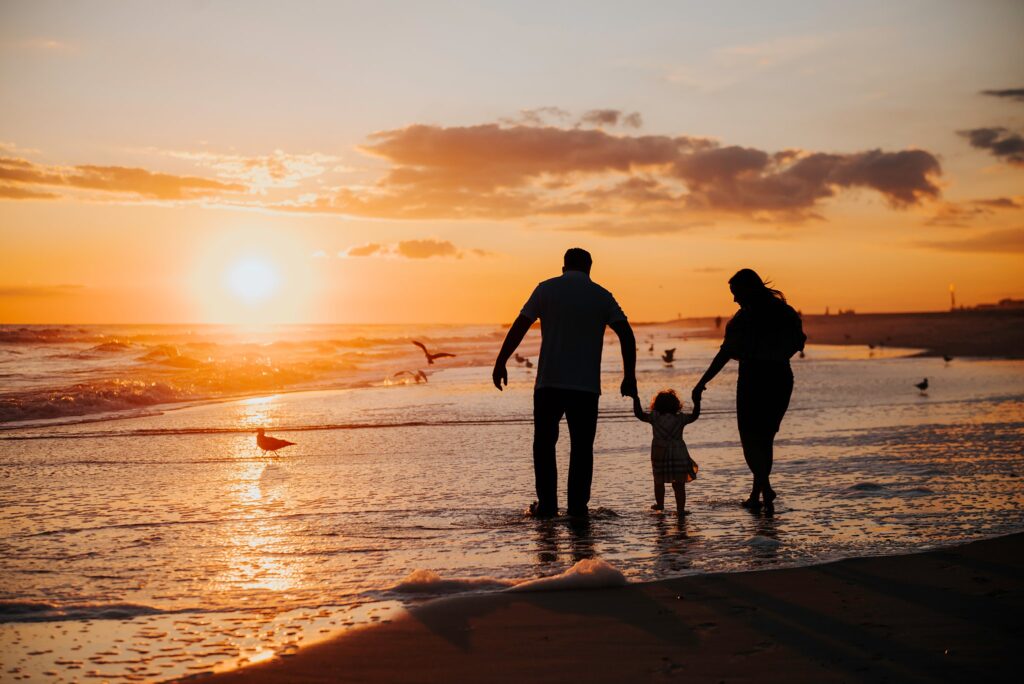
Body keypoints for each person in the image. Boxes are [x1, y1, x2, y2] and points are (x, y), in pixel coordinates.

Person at [493, 248, 636, 518]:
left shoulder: (546, 289)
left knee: (544, 444)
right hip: (586, 386)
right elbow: (626, 334)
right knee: (582, 447)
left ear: (563, 267)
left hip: (549, 383)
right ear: (590, 268)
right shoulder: (602, 295)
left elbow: (520, 325)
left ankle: (547, 506)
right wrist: (629, 376)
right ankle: (577, 507)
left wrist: (501, 361)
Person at [693, 269, 805, 510]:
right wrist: (775, 356)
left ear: (747, 290)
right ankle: (759, 494)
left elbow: (725, 352)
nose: (734, 299)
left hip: (753, 380)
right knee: (764, 439)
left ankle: (765, 488)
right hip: (780, 377)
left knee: (750, 440)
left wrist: (703, 381)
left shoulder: (743, 318)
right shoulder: (784, 312)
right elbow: (798, 342)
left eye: (736, 293)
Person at [632, 389, 700, 515]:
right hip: (678, 455)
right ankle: (680, 509)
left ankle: (660, 505)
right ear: (676, 405)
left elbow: (639, 415)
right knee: (679, 484)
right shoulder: (680, 418)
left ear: (656, 405)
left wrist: (636, 399)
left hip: (660, 454)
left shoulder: (655, 417)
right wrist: (697, 401)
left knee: (658, 481)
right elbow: (694, 416)